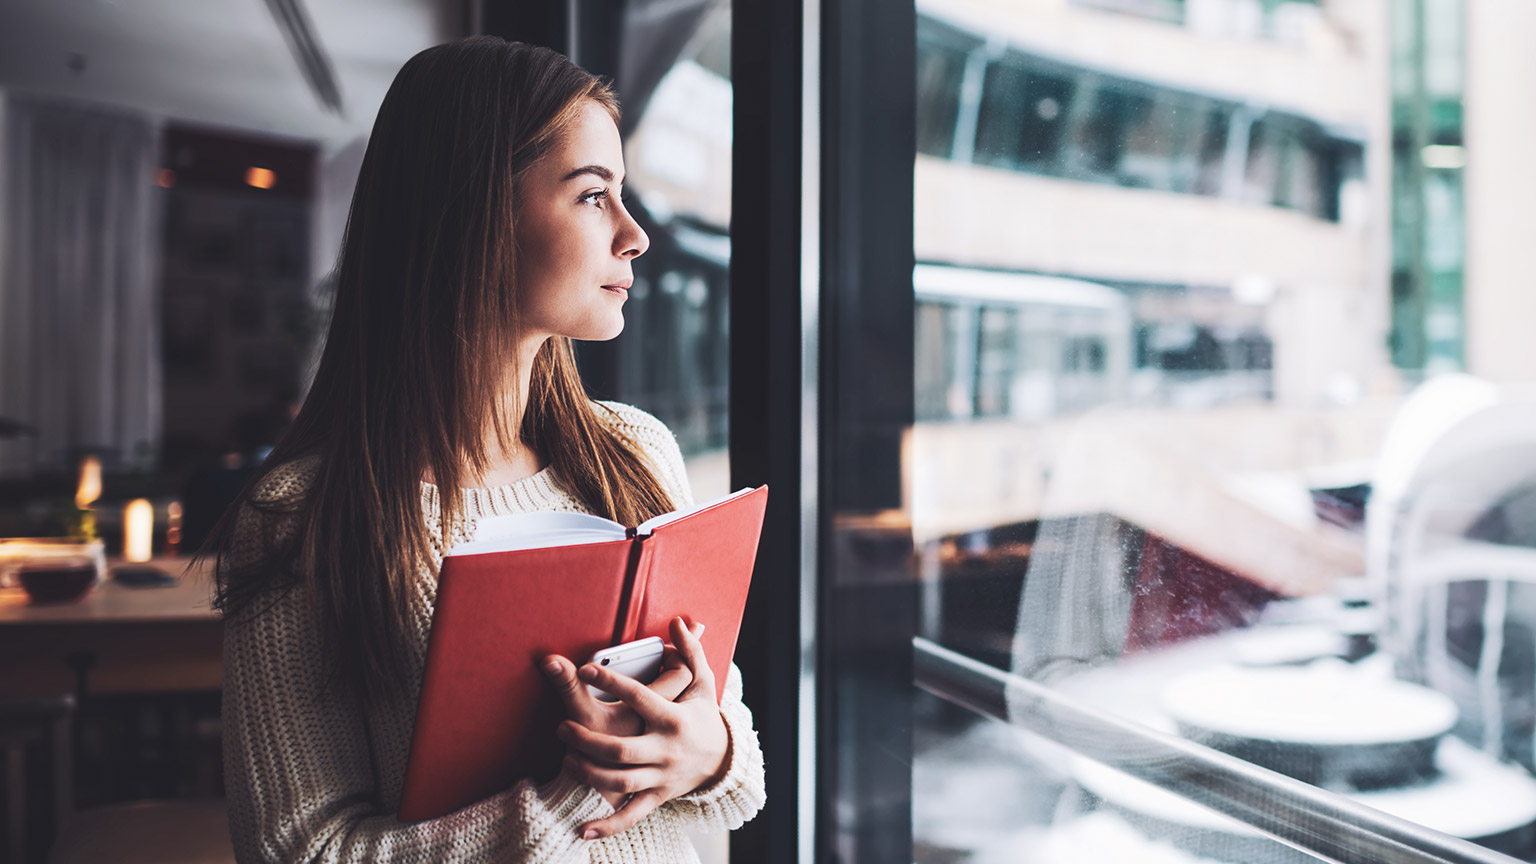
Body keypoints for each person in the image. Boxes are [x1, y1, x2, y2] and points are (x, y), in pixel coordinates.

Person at [209, 37, 765, 863]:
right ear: (471, 212)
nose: (635, 235)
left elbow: (735, 747)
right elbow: (302, 850)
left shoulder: (636, 452)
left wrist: (709, 750)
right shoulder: (302, 515)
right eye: (591, 196)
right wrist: (578, 789)